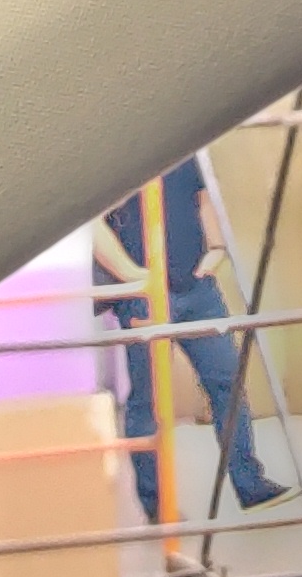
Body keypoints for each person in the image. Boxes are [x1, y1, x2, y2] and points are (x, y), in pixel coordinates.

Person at [93, 156, 287, 520]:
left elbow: (202, 195)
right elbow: (93, 226)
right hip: (143, 295)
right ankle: (157, 505)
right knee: (148, 401)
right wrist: (134, 276)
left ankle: (251, 485)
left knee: (227, 381)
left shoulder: (182, 149)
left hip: (196, 288)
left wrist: (216, 249)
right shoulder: (112, 157)